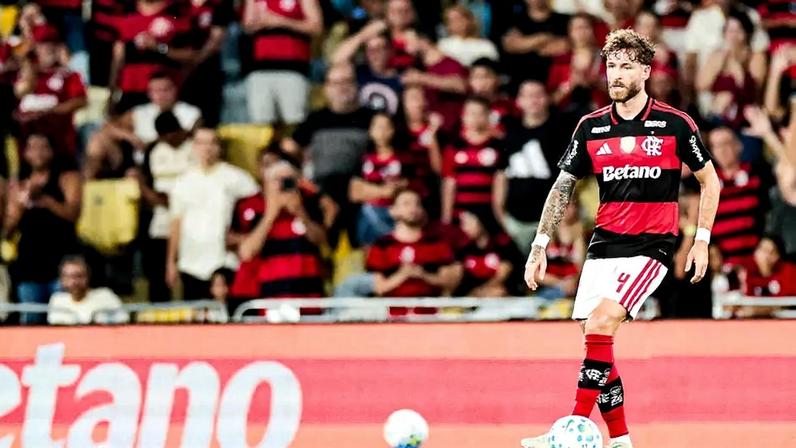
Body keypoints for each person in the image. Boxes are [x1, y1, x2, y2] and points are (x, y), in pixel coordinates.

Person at [521, 29, 720, 448]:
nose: (616, 74)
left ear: (645, 72)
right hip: (604, 245)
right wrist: (539, 245)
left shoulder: (674, 123)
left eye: (626, 66)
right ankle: (621, 439)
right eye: (611, 66)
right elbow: (563, 187)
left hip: (652, 245)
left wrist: (700, 239)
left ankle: (569, 431)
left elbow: (710, 181)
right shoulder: (591, 127)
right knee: (598, 342)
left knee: (601, 323)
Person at [335, 188, 461, 315]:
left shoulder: (436, 244)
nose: (412, 208)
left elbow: (449, 284)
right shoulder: (382, 246)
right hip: (392, 317)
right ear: (393, 211)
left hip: (431, 316)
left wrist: (424, 275)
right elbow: (379, 287)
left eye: (417, 203)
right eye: (406, 204)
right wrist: (402, 275)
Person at [167, 127, 258, 300]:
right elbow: (176, 222)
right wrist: (171, 262)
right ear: (194, 146)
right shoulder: (183, 182)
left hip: (224, 261)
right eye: (202, 143)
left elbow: (257, 209)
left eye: (212, 143)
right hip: (190, 262)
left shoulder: (237, 179)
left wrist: (242, 238)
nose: (207, 148)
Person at [4, 134, 82, 325]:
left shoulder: (67, 177)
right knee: (31, 320)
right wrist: (21, 207)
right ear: (26, 153)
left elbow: (73, 214)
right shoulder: (19, 185)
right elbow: (7, 231)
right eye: (32, 147)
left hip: (61, 258)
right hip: (29, 262)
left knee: (62, 319)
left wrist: (46, 201)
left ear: (52, 151)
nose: (38, 152)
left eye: (43, 147)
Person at [132, 111, 194, 302]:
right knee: (158, 274)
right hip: (161, 222)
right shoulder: (154, 150)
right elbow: (150, 188)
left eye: (172, 134)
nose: (169, 139)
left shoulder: (194, 148)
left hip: (191, 219)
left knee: (190, 274)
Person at [503, 80, 568, 253]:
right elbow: (501, 174)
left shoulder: (561, 130)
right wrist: (500, 212)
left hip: (551, 220)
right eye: (528, 96)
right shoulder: (510, 132)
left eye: (538, 95)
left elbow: (570, 174)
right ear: (519, 100)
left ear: (547, 98)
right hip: (514, 220)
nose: (533, 100)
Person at [242, 0, 323, 126]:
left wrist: (280, 21)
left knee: (294, 122)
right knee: (261, 125)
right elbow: (248, 24)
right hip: (259, 69)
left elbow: (316, 26)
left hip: (293, 69)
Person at [13, 24, 87, 155]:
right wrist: (27, 62)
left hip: (57, 138)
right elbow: (21, 92)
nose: (48, 48)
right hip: (25, 136)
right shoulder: (27, 73)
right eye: (43, 44)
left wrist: (50, 111)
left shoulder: (69, 75)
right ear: (35, 48)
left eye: (52, 43)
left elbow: (80, 100)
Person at [708, 126, 773, 267]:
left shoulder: (759, 174)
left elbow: (770, 215)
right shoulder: (706, 184)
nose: (722, 150)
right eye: (716, 146)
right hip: (726, 269)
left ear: (738, 145)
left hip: (759, 264)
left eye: (726, 144)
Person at [441, 96, 507, 228]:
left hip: (489, 213)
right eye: (471, 113)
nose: (475, 117)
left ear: (488, 116)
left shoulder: (499, 146)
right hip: (460, 213)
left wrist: (500, 215)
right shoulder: (453, 146)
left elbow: (500, 182)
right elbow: (449, 183)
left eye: (480, 113)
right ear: (463, 116)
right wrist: (446, 218)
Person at [349, 113, 407, 246]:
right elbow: (354, 193)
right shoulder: (363, 159)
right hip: (368, 217)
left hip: (396, 216)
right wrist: (383, 191)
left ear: (393, 130)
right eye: (377, 127)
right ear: (370, 131)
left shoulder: (403, 159)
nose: (382, 132)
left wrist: (368, 190)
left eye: (386, 127)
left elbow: (403, 188)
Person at [331, 22, 402, 114]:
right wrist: (362, 36)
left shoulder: (402, 77)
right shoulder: (359, 72)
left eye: (380, 48)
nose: (375, 54)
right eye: (371, 50)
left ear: (390, 51)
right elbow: (336, 60)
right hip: (360, 125)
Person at [48, 255, 127, 325]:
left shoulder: (105, 295)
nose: (74, 282)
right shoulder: (57, 300)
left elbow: (123, 319)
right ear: (62, 279)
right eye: (69, 277)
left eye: (78, 276)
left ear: (87, 276)